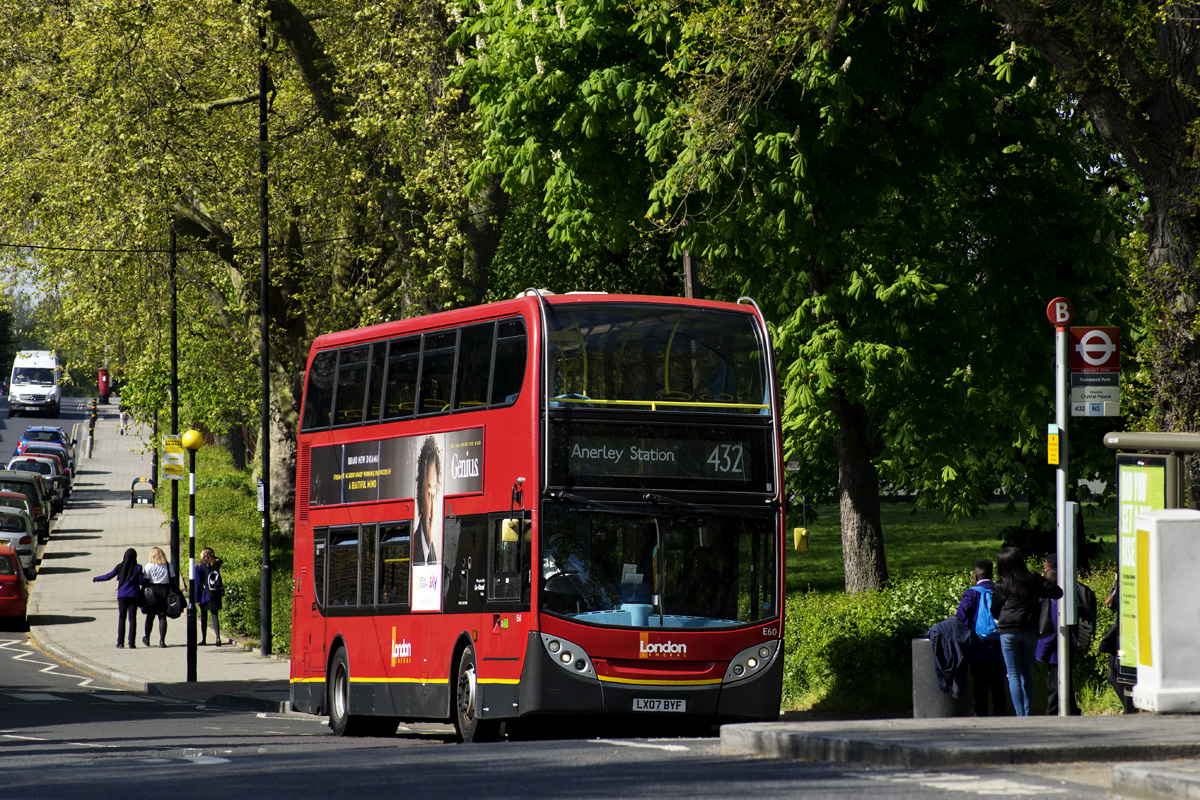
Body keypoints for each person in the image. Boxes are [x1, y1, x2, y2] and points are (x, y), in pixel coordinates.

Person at [990, 546, 1063, 716]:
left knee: (1013, 673)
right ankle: (1028, 713)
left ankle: (1019, 714)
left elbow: (994, 611)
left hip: (1008, 632)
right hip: (1029, 630)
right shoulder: (1033, 579)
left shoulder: (1001, 585)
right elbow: (1057, 592)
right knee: (1026, 672)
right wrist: (1045, 581)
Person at [954, 558, 1007, 715]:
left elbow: (961, 618)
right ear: (992, 574)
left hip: (979, 648)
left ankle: (981, 715)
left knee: (980, 686)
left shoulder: (971, 593)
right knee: (999, 686)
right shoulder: (1002, 590)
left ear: (975, 576)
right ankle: (1001, 715)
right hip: (1000, 646)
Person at [1036, 553, 1081, 715]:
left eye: (1045, 567)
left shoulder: (1054, 602)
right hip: (1061, 649)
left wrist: (1041, 652)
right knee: (1064, 681)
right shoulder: (1067, 593)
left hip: (1055, 652)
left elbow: (1051, 631)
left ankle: (1054, 711)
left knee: (1054, 683)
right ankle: (1072, 709)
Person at [93, 548, 143, 648]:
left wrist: (97, 579)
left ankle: (120, 642)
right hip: (133, 596)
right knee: (132, 619)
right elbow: (142, 582)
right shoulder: (138, 567)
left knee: (122, 618)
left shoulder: (120, 566)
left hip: (122, 596)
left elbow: (109, 575)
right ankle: (132, 643)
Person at [413, 437, 442, 565]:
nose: (432, 511)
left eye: (434, 495)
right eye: (429, 493)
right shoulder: (413, 547)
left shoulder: (434, 555)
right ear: (420, 494)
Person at [141, 546, 176, 648]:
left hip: (152, 592)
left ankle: (147, 638)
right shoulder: (168, 566)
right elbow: (173, 580)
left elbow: (146, 581)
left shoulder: (149, 566)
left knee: (150, 617)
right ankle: (162, 640)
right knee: (162, 616)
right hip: (164, 591)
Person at [196, 547, 224, 646]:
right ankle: (218, 638)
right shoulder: (216, 564)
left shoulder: (199, 566)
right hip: (215, 593)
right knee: (214, 615)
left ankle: (204, 639)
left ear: (204, 555)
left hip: (204, 594)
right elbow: (221, 560)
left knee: (204, 617)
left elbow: (198, 584)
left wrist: (197, 599)